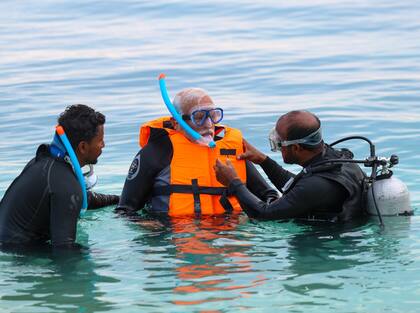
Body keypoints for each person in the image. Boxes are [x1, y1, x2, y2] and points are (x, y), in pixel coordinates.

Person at [117, 88, 278, 216]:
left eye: (214, 115)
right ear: (176, 122)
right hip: (173, 241)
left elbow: (270, 196)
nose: (208, 124)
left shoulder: (230, 151)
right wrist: (148, 227)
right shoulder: (157, 152)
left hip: (229, 237)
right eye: (199, 117)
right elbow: (124, 210)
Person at [0, 104, 119, 249]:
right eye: (100, 140)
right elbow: (64, 252)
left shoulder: (46, 163)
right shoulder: (66, 184)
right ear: (83, 147)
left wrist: (117, 199)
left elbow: (78, 197)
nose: (103, 145)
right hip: (18, 254)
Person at [214, 110, 366, 222]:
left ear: (296, 148)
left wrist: (234, 183)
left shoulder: (316, 185)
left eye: (279, 143)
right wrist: (263, 161)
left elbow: (264, 214)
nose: (278, 148)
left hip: (325, 249)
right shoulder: (338, 160)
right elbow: (297, 187)